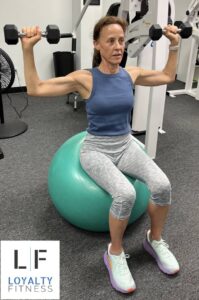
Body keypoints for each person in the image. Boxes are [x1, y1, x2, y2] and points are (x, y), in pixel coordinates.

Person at [20, 16, 180, 294]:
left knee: (163, 185)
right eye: (111, 41)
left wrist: (175, 47)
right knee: (126, 194)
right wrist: (27, 49)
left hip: (127, 144)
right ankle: (115, 253)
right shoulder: (84, 78)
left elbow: (166, 77)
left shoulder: (130, 74)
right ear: (97, 44)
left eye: (121, 40)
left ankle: (154, 240)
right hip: (96, 149)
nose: (118, 46)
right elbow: (36, 88)